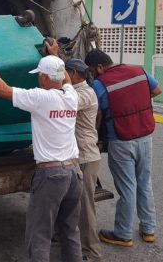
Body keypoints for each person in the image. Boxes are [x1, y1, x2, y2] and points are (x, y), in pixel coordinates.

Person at [0, 41, 83, 262]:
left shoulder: (41, 98)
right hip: (74, 172)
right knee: (70, 232)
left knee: (39, 233)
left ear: (43, 78)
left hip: (52, 175)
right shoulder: (71, 97)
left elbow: (0, 89)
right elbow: (67, 80)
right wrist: (57, 56)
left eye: (39, 75)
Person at [85, 50, 162, 247]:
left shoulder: (99, 84)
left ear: (100, 67)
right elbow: (157, 90)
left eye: (93, 71)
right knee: (144, 183)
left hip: (120, 141)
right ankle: (148, 229)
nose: (94, 75)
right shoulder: (139, 71)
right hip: (145, 137)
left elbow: (97, 113)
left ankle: (123, 233)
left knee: (127, 188)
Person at [64, 58, 102, 261]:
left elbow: (66, 103)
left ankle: (92, 252)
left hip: (86, 156)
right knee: (70, 203)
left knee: (86, 207)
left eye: (65, 73)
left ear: (74, 74)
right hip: (77, 156)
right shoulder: (78, 91)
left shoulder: (84, 94)